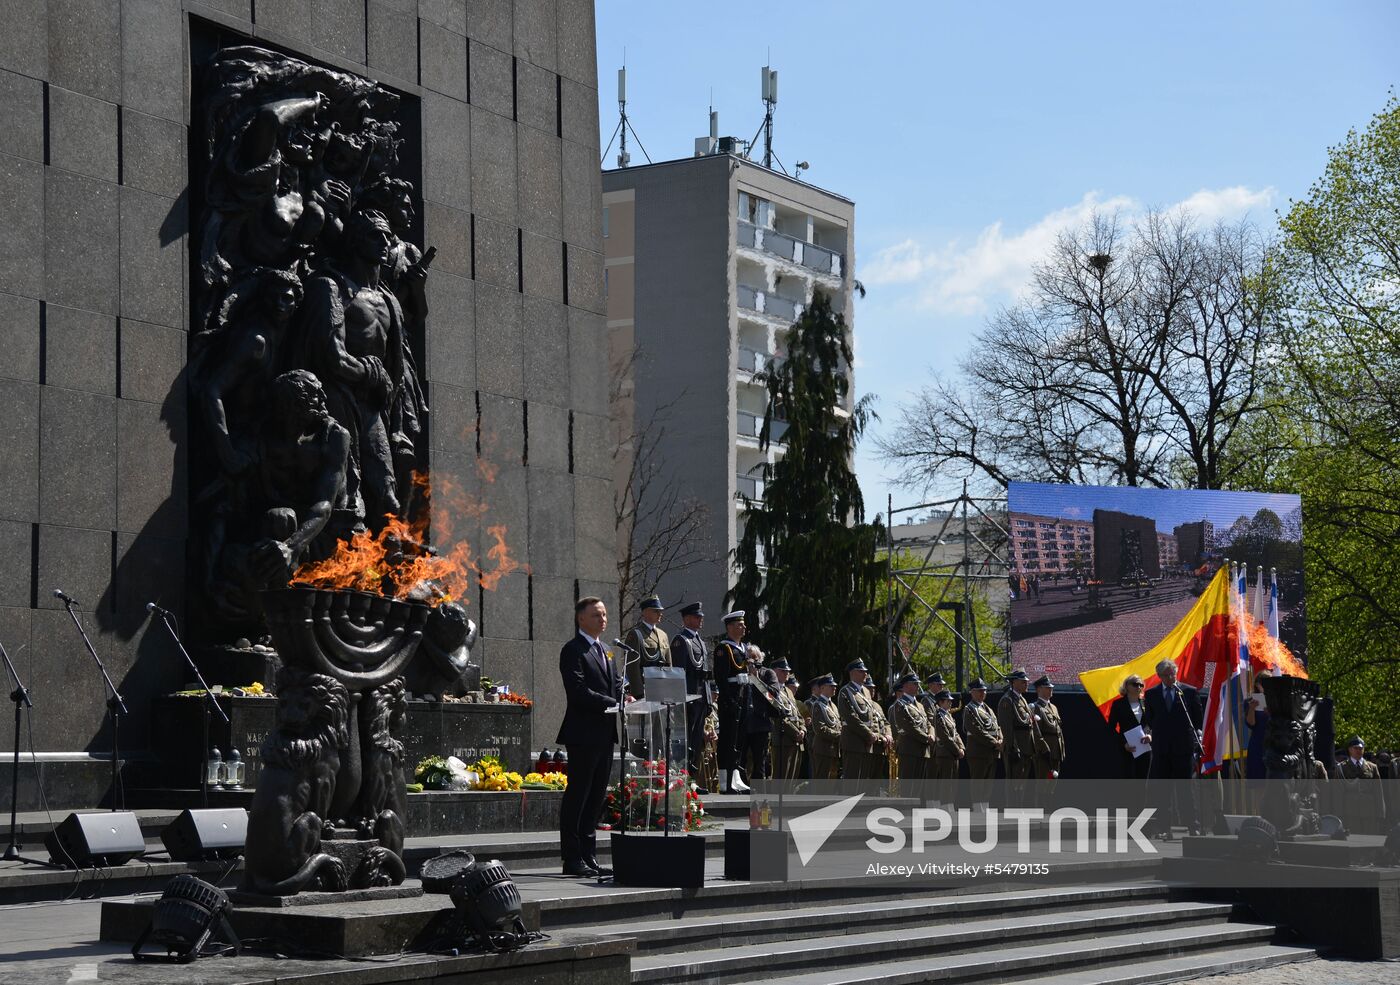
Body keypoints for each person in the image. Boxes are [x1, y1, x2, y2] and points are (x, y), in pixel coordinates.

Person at [556, 597, 628, 877]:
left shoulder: (607, 650)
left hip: (605, 734)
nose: (603, 619)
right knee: (579, 796)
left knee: (597, 797)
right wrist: (612, 701)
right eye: (597, 615)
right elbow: (578, 691)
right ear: (581, 619)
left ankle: (589, 855)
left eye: (605, 615)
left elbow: (616, 684)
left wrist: (626, 697)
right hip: (583, 734)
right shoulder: (572, 650)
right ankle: (572, 858)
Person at [1142, 658, 1202, 837]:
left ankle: (1193, 825)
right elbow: (1150, 719)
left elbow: (1197, 718)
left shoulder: (1188, 692)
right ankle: (1164, 828)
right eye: (1166, 675)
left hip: (1183, 748)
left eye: (1172, 674)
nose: (1170, 678)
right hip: (1162, 749)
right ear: (1159, 676)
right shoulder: (1151, 694)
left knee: (1186, 790)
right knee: (1163, 791)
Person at [670, 601, 711, 790]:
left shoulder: (699, 641)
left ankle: (692, 781)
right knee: (686, 741)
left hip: (701, 698)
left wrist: (708, 699)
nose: (700, 619)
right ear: (686, 619)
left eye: (701, 616)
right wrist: (683, 699)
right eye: (696, 616)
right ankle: (683, 781)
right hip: (689, 698)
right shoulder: (681, 640)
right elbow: (679, 672)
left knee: (696, 741)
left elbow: (705, 674)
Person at [714, 611, 751, 794]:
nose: (743, 627)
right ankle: (725, 782)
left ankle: (736, 777)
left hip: (743, 697)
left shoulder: (742, 648)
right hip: (731, 699)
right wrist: (729, 700)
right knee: (728, 740)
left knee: (739, 741)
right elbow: (721, 678)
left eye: (743, 624)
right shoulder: (724, 648)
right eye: (739, 625)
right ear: (729, 627)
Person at [838, 659, 888, 781]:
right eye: (861, 671)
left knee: (864, 782)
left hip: (868, 743)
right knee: (852, 781)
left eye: (865, 671)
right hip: (853, 742)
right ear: (852, 673)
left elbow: (873, 715)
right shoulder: (845, 691)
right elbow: (850, 717)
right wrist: (868, 733)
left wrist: (875, 734)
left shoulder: (866, 691)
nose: (865, 673)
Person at [997, 669, 1037, 805]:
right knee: (1014, 780)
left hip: (1026, 746)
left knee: (1022, 781)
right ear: (1014, 682)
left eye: (1026, 681)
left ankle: (1018, 806)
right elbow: (1007, 727)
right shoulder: (1007, 700)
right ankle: (1012, 807)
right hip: (1016, 746)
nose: (1026, 684)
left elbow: (1028, 722)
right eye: (1023, 682)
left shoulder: (1022, 699)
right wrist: (1013, 747)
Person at [962, 678, 1002, 809]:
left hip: (992, 751)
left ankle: (985, 805)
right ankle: (977, 807)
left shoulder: (988, 708)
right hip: (978, 751)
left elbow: (997, 727)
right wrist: (994, 742)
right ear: (972, 692)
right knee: (978, 781)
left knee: (988, 783)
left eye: (984, 691)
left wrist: (1001, 739)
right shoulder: (969, 709)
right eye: (979, 691)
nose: (982, 693)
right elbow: (976, 730)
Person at [1335, 736, 1386, 834]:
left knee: (1369, 837)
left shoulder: (1372, 767)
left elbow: (1378, 792)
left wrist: (1381, 813)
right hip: (1350, 811)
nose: (1358, 750)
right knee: (1353, 838)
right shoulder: (1341, 767)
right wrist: (1338, 813)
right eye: (1356, 748)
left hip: (1369, 811)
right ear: (1350, 749)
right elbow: (1338, 793)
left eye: (1361, 748)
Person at [891, 672, 934, 787]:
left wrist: (931, 734)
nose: (917, 686)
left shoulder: (920, 705)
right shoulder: (900, 704)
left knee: (919, 789)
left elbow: (928, 723)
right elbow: (908, 727)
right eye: (914, 683)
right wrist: (926, 738)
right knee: (908, 788)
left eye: (917, 683)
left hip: (923, 751)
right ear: (905, 686)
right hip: (909, 750)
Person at [623, 595, 671, 700]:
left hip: (662, 687)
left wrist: (669, 686)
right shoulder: (636, 634)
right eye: (656, 611)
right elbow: (632, 667)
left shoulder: (663, 635)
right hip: (646, 688)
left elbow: (668, 664)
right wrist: (638, 692)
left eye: (660, 611)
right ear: (645, 612)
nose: (660, 614)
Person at [1108, 675, 1151, 781]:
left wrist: (1150, 735)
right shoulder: (1118, 704)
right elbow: (1111, 727)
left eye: (1141, 685)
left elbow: (1154, 723)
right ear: (1126, 686)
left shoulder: (1147, 702)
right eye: (1135, 684)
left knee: (1144, 780)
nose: (1139, 687)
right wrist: (1124, 744)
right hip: (1127, 748)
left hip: (1145, 747)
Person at [768, 659, 806, 781]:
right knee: (780, 778)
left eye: (788, 671)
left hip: (794, 740)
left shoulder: (788, 691)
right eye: (783, 671)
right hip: (782, 740)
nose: (787, 674)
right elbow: (778, 716)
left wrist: (802, 730)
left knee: (791, 779)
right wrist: (796, 732)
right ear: (773, 672)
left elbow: (797, 714)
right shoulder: (771, 689)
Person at [1031, 675, 1065, 806]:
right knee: (1042, 782)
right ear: (1039, 689)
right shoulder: (1036, 707)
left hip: (1056, 750)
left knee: (1052, 782)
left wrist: (1061, 749)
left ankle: (1048, 807)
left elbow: (1058, 729)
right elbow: (1036, 730)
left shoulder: (1053, 707)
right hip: (1044, 751)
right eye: (1047, 687)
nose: (1051, 689)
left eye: (1051, 687)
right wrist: (1043, 747)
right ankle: (1040, 808)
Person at [928, 689, 964, 806]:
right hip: (945, 753)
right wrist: (957, 750)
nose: (950, 703)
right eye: (948, 701)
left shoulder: (948, 715)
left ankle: (950, 804)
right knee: (946, 783)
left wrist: (961, 747)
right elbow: (945, 736)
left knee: (953, 782)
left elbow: (955, 733)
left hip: (952, 753)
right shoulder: (939, 716)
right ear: (941, 702)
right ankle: (944, 805)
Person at [806, 674, 842, 780]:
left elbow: (837, 724)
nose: (834, 687)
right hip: (823, 749)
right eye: (831, 686)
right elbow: (820, 729)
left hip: (834, 749)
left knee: (831, 783)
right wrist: (839, 735)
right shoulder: (817, 705)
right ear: (822, 688)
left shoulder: (833, 705)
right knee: (822, 782)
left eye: (834, 686)